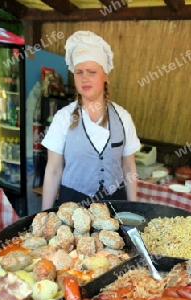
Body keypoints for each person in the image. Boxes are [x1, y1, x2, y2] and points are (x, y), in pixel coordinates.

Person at [41, 30, 140, 210]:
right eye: (79, 72)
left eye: (91, 72)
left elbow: (129, 168)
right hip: (72, 205)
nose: (84, 78)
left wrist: (132, 209)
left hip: (115, 205)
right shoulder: (63, 118)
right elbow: (54, 170)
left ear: (105, 75)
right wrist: (44, 214)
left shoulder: (123, 118)